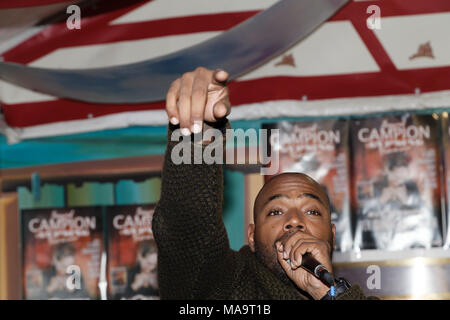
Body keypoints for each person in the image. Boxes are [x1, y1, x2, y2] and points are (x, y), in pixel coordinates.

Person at [152, 67, 377, 300]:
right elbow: (188, 230)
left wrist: (327, 293)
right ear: (251, 236)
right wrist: (198, 137)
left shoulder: (351, 295)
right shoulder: (222, 285)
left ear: (332, 235)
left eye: (311, 211)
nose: (294, 221)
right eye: (275, 211)